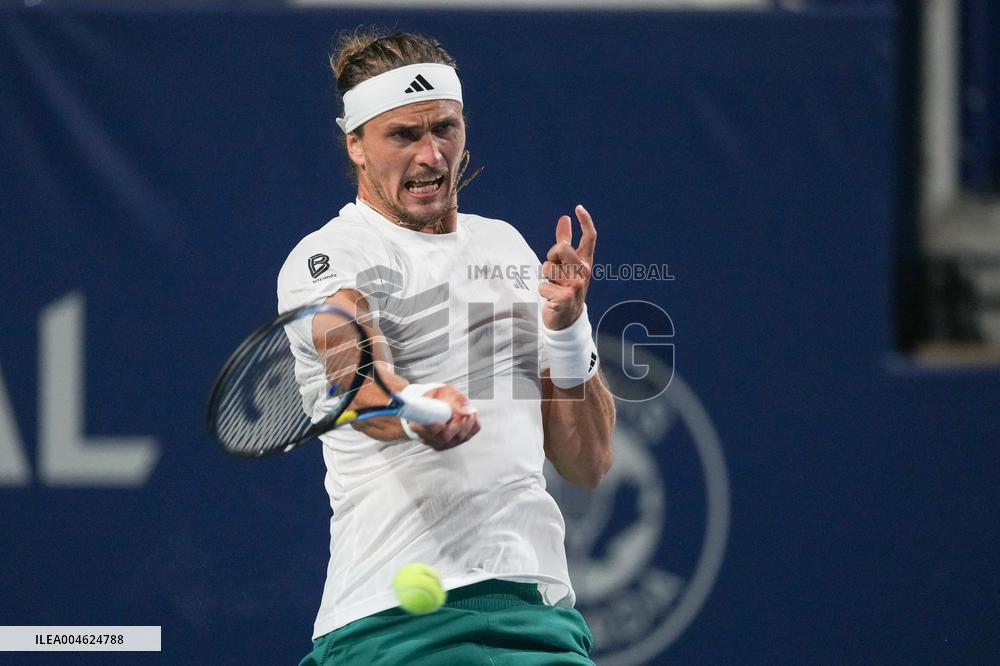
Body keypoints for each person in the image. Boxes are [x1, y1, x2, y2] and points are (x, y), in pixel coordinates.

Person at [279, 28, 615, 665]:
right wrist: (415, 412)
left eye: (445, 129)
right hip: (392, 625)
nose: (432, 156)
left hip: (539, 618)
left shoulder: (508, 249)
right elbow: (360, 384)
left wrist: (570, 328)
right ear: (355, 144)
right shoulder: (328, 258)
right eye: (403, 135)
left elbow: (588, 462)